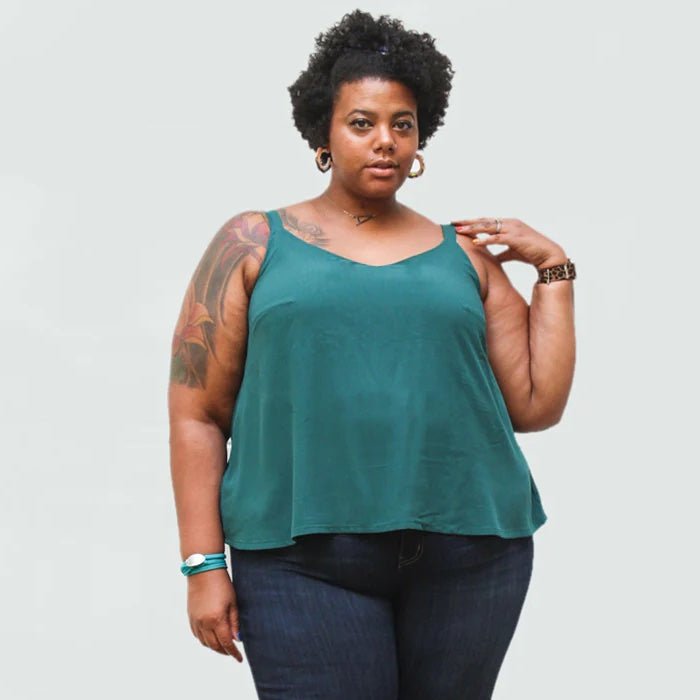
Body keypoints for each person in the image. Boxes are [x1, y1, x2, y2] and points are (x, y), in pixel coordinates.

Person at [168, 9, 576, 699]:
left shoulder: (465, 256)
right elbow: (197, 414)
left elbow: (536, 406)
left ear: (420, 139)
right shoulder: (252, 243)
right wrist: (202, 564)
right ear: (323, 135)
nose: (385, 140)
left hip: (471, 554)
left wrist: (554, 272)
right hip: (300, 561)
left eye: (402, 124)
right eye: (362, 123)